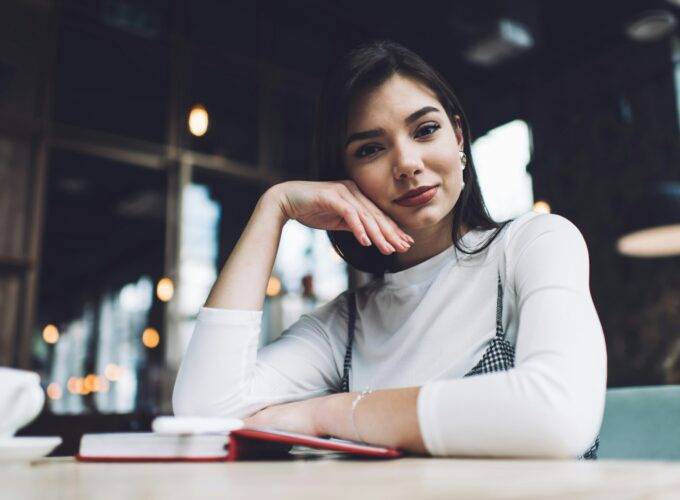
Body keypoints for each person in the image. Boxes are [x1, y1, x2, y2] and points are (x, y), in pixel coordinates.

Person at [173, 40, 607, 458]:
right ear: (345, 177)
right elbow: (205, 411)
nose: (407, 163)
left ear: (458, 136)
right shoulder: (346, 325)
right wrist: (274, 208)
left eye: (426, 130)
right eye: (370, 149)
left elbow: (558, 415)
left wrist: (326, 412)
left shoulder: (534, 244)